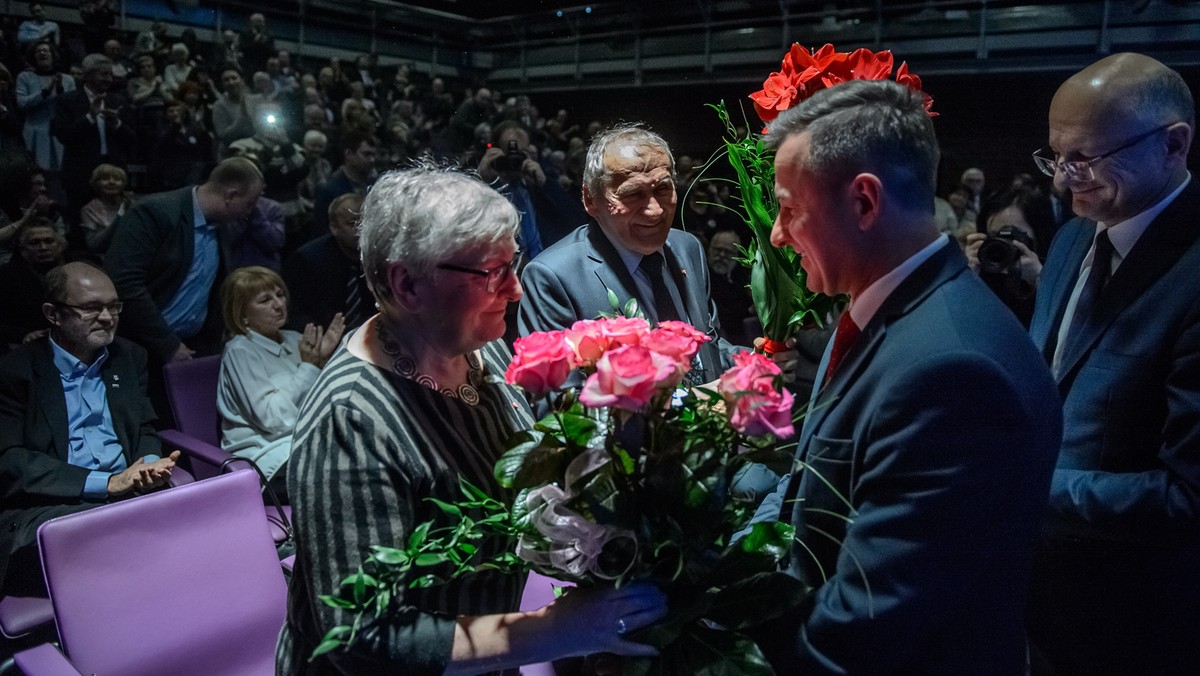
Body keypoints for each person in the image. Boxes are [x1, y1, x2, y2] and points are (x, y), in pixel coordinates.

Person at [277, 165, 666, 674]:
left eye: (515, 263)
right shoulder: (352, 419)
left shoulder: (481, 351)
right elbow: (360, 636)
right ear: (407, 284)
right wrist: (556, 630)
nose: (516, 290)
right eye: (492, 272)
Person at [743, 78, 1061, 674]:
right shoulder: (906, 312)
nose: (778, 234)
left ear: (864, 202)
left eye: (789, 209)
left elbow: (867, 625)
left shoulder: (952, 372)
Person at [1025, 53, 1200, 676]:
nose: (1064, 179)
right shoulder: (1074, 234)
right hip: (1042, 597)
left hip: (1138, 618)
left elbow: (1187, 497)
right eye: (1055, 156)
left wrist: (1023, 486)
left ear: (1174, 145)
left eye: (1087, 158)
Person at [0, 262, 181, 597]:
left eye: (113, 306)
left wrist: (149, 465)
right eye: (91, 308)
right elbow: (10, 462)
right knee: (122, 540)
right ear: (53, 314)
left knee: (205, 509)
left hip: (130, 492)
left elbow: (143, 426)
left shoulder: (129, 358)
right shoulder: (15, 372)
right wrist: (107, 483)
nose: (107, 317)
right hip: (52, 505)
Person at [517, 123, 744, 385]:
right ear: (590, 199)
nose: (655, 210)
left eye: (662, 189)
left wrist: (757, 361)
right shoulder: (553, 277)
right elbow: (560, 402)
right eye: (633, 194)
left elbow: (708, 348)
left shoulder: (687, 247)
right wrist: (697, 405)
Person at [104, 157, 264, 365]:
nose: (249, 213)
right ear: (230, 196)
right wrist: (167, 344)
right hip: (142, 349)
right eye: (249, 204)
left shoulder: (222, 226)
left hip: (193, 345)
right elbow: (124, 282)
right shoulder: (153, 212)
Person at [217, 266, 342, 502]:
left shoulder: (296, 339)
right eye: (265, 300)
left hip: (308, 443)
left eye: (280, 295)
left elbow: (325, 402)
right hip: (269, 457)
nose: (278, 304)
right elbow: (273, 420)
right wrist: (309, 366)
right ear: (242, 313)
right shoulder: (240, 350)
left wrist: (324, 361)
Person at [52, 52, 135, 224]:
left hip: (114, 171)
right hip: (80, 173)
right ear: (88, 74)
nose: (109, 79)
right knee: (78, 225)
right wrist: (89, 118)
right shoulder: (67, 101)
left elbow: (132, 139)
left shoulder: (118, 100)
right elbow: (64, 135)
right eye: (103, 74)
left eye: (110, 74)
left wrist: (117, 124)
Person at [283, 192, 371, 331]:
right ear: (334, 228)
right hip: (320, 338)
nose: (361, 229)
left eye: (365, 221)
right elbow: (296, 313)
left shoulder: (377, 255)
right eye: (352, 223)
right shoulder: (307, 260)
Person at [0, 218, 66, 346]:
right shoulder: (6, 276)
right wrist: (23, 335)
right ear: (23, 249)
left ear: (59, 244)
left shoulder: (77, 268)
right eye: (34, 243)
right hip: (27, 344)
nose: (43, 247)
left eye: (49, 241)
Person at [16, 41, 74, 173]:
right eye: (38, 51)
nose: (42, 53)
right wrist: (44, 92)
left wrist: (60, 90)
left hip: (59, 134)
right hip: (34, 132)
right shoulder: (24, 77)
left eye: (45, 50)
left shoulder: (67, 79)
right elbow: (22, 103)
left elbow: (71, 106)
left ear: (53, 55)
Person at [310, 129, 376, 237]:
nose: (372, 160)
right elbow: (323, 232)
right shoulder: (328, 190)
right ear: (348, 154)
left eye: (373, 155)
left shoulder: (376, 186)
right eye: (366, 154)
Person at [78, 162, 134, 255]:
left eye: (117, 179)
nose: (111, 182)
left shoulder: (132, 205)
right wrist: (121, 213)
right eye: (105, 178)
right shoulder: (89, 210)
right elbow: (93, 244)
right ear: (96, 183)